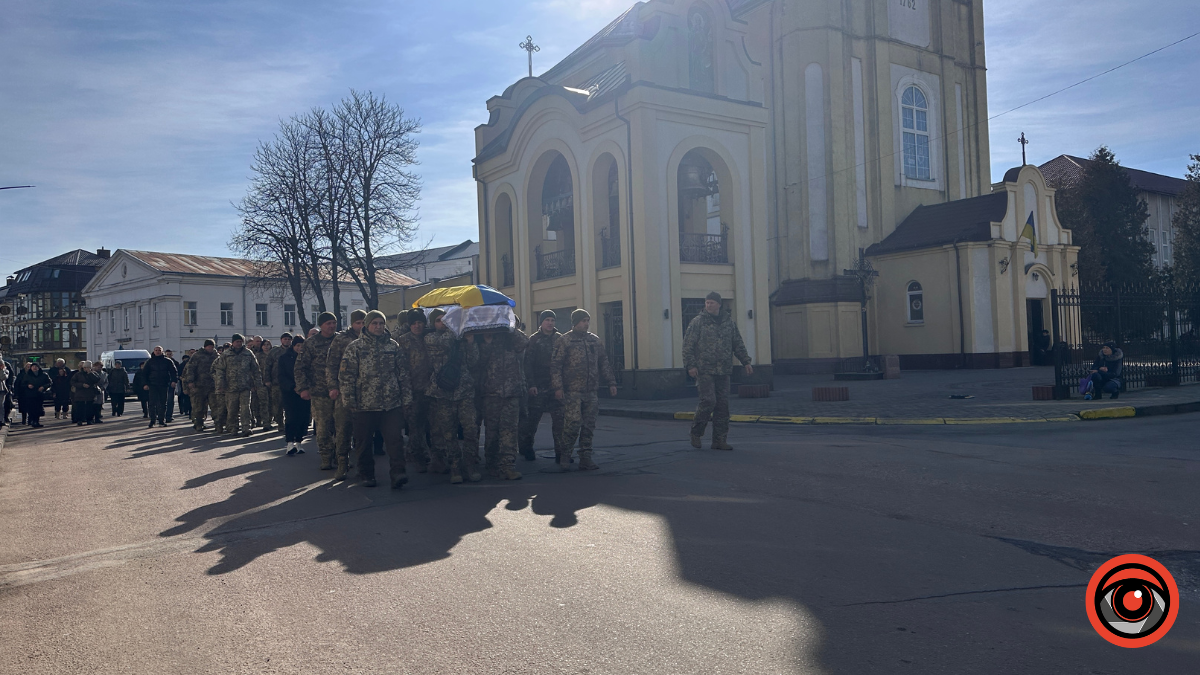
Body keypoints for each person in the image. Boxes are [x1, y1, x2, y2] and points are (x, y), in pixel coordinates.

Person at [337, 310, 412, 487]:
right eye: (374, 323)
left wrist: (406, 398)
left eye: (381, 323)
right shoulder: (355, 347)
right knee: (363, 442)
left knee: (395, 440)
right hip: (364, 405)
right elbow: (346, 376)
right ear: (367, 325)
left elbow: (403, 374)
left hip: (390, 403)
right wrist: (349, 401)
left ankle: (398, 473)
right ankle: (366, 474)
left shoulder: (393, 346)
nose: (378, 327)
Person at [682, 292, 754, 451]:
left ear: (719, 305)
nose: (708, 305)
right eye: (707, 303)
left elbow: (737, 344)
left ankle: (719, 440)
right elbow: (688, 346)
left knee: (722, 405)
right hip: (704, 369)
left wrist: (746, 362)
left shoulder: (729, 323)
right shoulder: (698, 322)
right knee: (708, 401)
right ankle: (696, 432)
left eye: (712, 303)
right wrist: (691, 365)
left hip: (724, 369)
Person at [551, 309, 618, 472]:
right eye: (583, 321)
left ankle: (585, 458)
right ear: (575, 322)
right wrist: (558, 387)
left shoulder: (594, 341)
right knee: (572, 424)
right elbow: (556, 365)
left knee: (589, 425)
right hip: (572, 391)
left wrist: (611, 382)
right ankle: (565, 456)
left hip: (591, 391)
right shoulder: (564, 341)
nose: (586, 324)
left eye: (587, 320)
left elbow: (604, 362)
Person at [425, 309, 481, 484]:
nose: (443, 323)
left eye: (446, 320)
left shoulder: (460, 339)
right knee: (449, 433)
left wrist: (471, 342)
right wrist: (456, 327)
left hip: (464, 391)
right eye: (439, 321)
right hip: (443, 392)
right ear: (433, 324)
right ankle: (455, 467)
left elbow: (473, 362)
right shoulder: (432, 338)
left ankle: (470, 467)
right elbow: (445, 344)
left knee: (471, 430)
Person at [478, 328, 529, 480]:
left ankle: (507, 466)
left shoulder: (512, 337)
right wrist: (487, 340)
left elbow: (525, 342)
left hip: (512, 392)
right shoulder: (485, 336)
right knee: (492, 431)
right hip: (491, 392)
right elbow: (479, 360)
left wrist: (510, 328)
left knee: (510, 431)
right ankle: (492, 463)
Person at [295, 313, 339, 469]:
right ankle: (326, 457)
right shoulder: (311, 343)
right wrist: (303, 388)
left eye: (334, 322)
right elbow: (301, 367)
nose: (332, 326)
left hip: (340, 391)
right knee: (323, 427)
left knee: (341, 427)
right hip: (320, 392)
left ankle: (340, 457)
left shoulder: (340, 341)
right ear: (321, 325)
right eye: (328, 323)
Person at [520, 310, 564, 463]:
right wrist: (531, 384)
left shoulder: (560, 339)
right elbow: (528, 364)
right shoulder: (534, 340)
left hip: (556, 387)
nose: (550, 323)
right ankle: (526, 447)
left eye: (552, 320)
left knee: (560, 422)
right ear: (541, 322)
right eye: (547, 320)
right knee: (532, 421)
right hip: (539, 387)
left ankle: (561, 453)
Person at [327, 310, 366, 473]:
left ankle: (363, 464)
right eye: (358, 322)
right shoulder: (341, 339)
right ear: (352, 323)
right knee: (343, 428)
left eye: (364, 322)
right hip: (345, 390)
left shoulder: (371, 339)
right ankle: (342, 461)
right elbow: (332, 364)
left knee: (363, 430)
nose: (361, 325)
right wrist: (333, 386)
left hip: (366, 392)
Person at [397, 310, 433, 472]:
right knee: (414, 425)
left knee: (429, 424)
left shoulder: (429, 338)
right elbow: (401, 368)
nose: (417, 326)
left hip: (430, 389)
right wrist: (406, 391)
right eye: (413, 323)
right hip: (412, 389)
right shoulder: (403, 341)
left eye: (419, 322)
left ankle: (422, 453)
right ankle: (417, 456)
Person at [213, 334, 262, 437]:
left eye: (240, 341)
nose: (239, 343)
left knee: (245, 408)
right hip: (230, 387)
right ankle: (233, 427)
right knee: (232, 409)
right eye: (237, 342)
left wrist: (257, 383)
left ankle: (246, 427)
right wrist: (220, 385)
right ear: (233, 342)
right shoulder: (226, 354)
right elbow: (220, 371)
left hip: (245, 386)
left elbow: (255, 369)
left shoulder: (248, 353)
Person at [277, 336, 310, 456]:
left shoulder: (307, 358)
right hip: (290, 392)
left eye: (302, 346)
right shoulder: (284, 358)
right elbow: (281, 376)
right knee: (291, 417)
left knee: (303, 417)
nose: (300, 348)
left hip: (305, 392)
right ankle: (290, 442)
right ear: (293, 346)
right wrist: (292, 387)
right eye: (298, 346)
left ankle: (299, 442)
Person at [182, 341, 218, 432]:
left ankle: (218, 423)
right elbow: (190, 369)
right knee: (199, 406)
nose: (211, 348)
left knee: (215, 405)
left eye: (212, 346)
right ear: (205, 347)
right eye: (209, 346)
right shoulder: (197, 356)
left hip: (212, 385)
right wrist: (190, 381)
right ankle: (198, 423)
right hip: (199, 385)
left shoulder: (216, 355)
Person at [143, 346, 178, 428]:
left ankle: (161, 420)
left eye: (159, 350)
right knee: (152, 403)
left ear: (162, 352)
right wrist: (145, 384)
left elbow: (173, 371)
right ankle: (152, 420)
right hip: (152, 385)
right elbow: (144, 374)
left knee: (163, 403)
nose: (158, 352)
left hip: (164, 384)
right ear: (153, 351)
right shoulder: (149, 362)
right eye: (156, 350)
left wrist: (174, 381)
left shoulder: (167, 361)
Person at [264, 334, 292, 429]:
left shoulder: (293, 350)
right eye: (285, 339)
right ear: (281, 340)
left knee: (290, 404)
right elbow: (267, 366)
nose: (287, 341)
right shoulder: (274, 352)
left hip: (290, 382)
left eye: (289, 339)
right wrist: (267, 380)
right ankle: (280, 423)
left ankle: (289, 423)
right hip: (277, 382)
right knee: (277, 404)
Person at [20, 362, 52, 428]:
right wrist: (28, 386)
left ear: (38, 367)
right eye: (33, 366)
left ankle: (36, 421)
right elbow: (22, 384)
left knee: (38, 408)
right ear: (31, 368)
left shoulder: (44, 375)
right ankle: (32, 421)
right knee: (31, 408)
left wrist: (43, 387)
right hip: (30, 395)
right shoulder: (27, 375)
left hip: (39, 394)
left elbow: (50, 383)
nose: (34, 368)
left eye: (36, 366)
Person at [70, 361, 99, 426]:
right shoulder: (78, 374)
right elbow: (73, 382)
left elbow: (97, 380)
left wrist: (90, 373)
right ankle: (79, 420)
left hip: (90, 394)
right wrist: (82, 385)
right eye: (86, 367)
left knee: (90, 408)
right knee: (80, 408)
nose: (87, 369)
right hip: (80, 394)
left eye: (89, 367)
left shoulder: (93, 373)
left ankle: (89, 420)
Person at [164, 349, 181, 422]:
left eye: (170, 354)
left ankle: (169, 415)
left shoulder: (175, 363)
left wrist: (174, 381)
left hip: (171, 383)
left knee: (170, 400)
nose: (169, 356)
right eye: (167, 354)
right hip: (162, 383)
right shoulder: (162, 362)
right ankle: (161, 415)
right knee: (162, 400)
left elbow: (176, 373)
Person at [177, 350, 193, 418]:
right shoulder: (185, 364)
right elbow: (181, 375)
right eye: (191, 353)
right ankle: (187, 411)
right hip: (186, 384)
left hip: (198, 385)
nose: (193, 354)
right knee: (187, 398)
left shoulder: (200, 362)